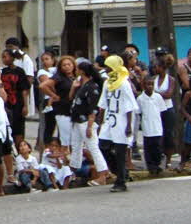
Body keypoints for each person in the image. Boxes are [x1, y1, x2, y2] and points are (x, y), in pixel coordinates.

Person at [97, 55, 137, 193]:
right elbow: (102, 103)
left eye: (108, 66)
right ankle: (120, 171)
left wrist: (129, 125)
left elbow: (130, 105)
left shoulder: (124, 83)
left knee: (120, 151)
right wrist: (100, 122)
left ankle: (120, 182)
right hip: (109, 120)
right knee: (103, 145)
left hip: (121, 120)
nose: (106, 69)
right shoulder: (107, 83)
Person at [68, 60, 109, 186]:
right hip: (77, 120)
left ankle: (103, 174)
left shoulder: (92, 87)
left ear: (82, 71)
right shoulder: (81, 85)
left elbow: (93, 108)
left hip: (86, 121)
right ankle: (73, 172)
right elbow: (71, 99)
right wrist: (73, 87)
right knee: (76, 146)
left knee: (93, 147)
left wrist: (90, 125)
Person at [41, 54, 77, 152]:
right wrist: (53, 95)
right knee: (65, 139)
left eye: (69, 64)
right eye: (64, 65)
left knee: (75, 139)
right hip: (62, 110)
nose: (67, 67)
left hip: (75, 110)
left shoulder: (76, 77)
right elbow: (43, 86)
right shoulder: (59, 77)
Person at [0, 49, 31, 144]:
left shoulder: (19, 71)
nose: (4, 59)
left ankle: (19, 147)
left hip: (18, 103)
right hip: (6, 103)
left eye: (5, 57)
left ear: (12, 58)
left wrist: (25, 105)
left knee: (18, 127)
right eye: (2, 57)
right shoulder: (2, 72)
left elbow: (24, 90)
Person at [137, 76, 165, 175]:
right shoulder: (140, 99)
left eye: (152, 84)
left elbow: (162, 111)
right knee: (148, 147)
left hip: (157, 126)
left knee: (157, 147)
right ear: (144, 86)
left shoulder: (158, 97)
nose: (150, 87)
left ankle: (157, 164)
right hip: (147, 127)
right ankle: (150, 165)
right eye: (148, 84)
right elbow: (139, 112)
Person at [35, 51, 57, 147]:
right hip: (49, 99)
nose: (45, 61)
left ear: (53, 60)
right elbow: (49, 84)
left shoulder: (56, 70)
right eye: (43, 60)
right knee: (49, 126)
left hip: (60, 100)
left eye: (47, 59)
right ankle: (46, 147)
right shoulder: (42, 72)